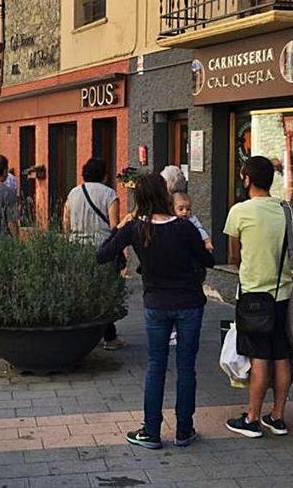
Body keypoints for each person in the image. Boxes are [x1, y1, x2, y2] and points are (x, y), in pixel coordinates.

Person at [97, 173, 215, 450]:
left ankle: (151, 431)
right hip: (189, 303)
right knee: (186, 368)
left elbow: (102, 254)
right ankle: (184, 430)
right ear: (164, 195)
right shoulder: (184, 227)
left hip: (156, 305)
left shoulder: (136, 228)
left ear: (140, 198)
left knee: (155, 367)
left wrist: (121, 227)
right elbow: (207, 260)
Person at [224, 155, 293, 439]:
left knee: (259, 357)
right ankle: (277, 417)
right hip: (284, 294)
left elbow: (233, 253)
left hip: (254, 295)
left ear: (247, 179)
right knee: (282, 355)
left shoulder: (240, 211)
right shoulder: (286, 210)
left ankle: (252, 418)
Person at [63, 158, 126, 351]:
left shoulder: (73, 193)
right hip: (102, 249)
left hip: (77, 247)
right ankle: (110, 337)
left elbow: (65, 221)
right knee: (104, 293)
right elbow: (114, 226)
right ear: (104, 175)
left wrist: (68, 241)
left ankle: (83, 332)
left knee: (82, 290)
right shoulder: (109, 194)